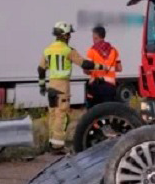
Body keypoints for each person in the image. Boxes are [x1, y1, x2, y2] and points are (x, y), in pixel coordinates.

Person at [38, 21, 111, 153]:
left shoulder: (47, 50)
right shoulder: (68, 51)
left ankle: (51, 142)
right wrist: (102, 67)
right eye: (69, 34)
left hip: (51, 86)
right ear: (65, 35)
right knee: (62, 115)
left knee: (53, 114)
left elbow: (41, 69)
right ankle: (58, 146)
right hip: (62, 86)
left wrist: (42, 86)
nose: (70, 36)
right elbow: (85, 64)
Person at [84, 25, 123, 107]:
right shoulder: (114, 50)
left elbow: (87, 70)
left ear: (95, 37)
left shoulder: (92, 50)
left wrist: (88, 70)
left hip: (96, 86)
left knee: (94, 112)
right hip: (110, 87)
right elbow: (119, 68)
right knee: (107, 111)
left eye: (93, 37)